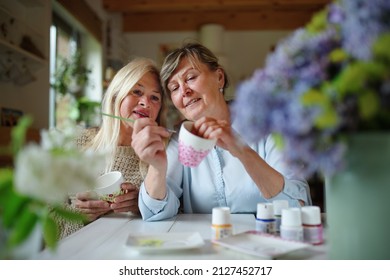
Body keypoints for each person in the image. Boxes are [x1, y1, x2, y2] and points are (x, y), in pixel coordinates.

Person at [131, 43, 312, 221]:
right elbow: (154, 213)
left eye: (191, 77)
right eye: (174, 88)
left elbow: (297, 205)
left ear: (219, 77)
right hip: (206, 247)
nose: (184, 91)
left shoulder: (268, 126)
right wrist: (157, 167)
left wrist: (241, 150)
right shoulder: (181, 140)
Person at [57, 57, 168, 238]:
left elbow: (172, 218)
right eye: (137, 91)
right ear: (116, 96)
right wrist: (79, 217)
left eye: (154, 97)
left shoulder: (162, 152)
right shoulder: (75, 144)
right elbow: (44, 219)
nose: (145, 103)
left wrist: (142, 205)